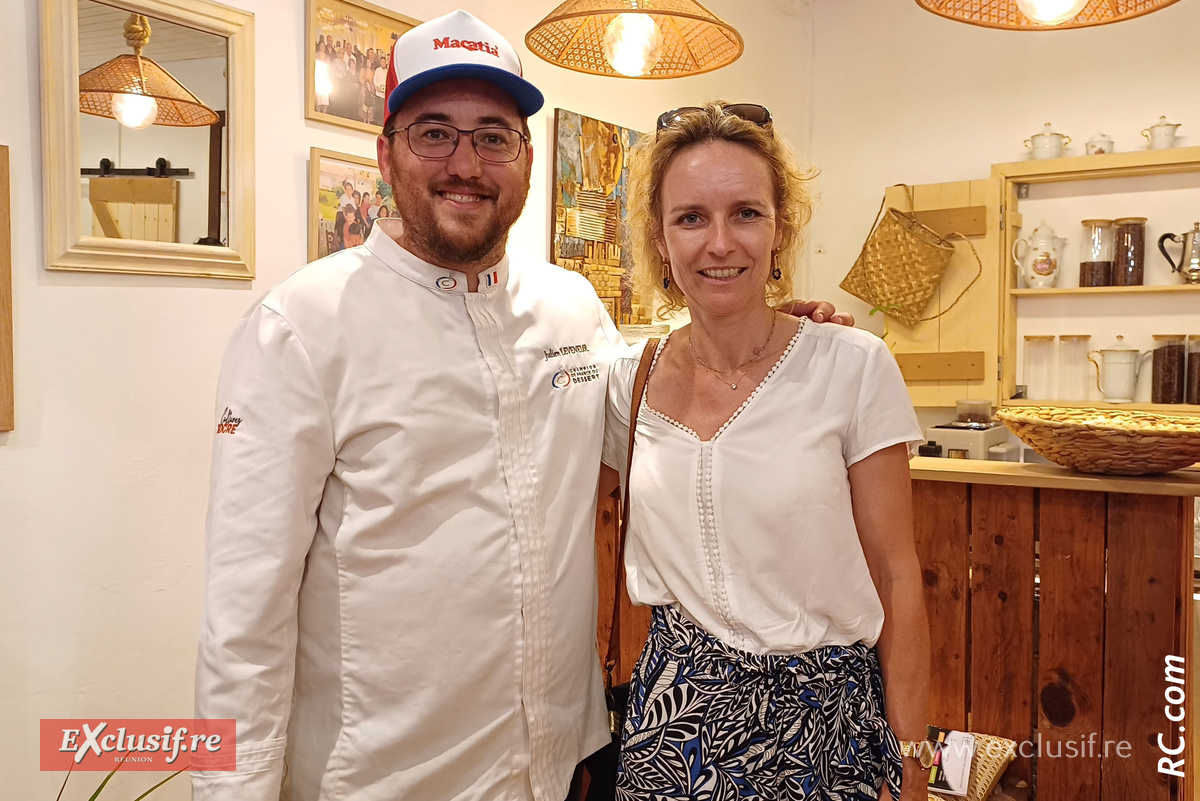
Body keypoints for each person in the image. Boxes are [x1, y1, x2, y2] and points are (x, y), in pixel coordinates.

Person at [193, 11, 850, 801]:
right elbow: (243, 615)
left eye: (494, 136)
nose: (465, 162)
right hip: (383, 781)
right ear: (385, 153)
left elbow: (660, 420)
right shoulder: (299, 328)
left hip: (559, 768)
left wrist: (769, 342)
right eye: (434, 132)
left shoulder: (569, 307)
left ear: (527, 159)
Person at [604, 103, 931, 801]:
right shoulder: (624, 381)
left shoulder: (852, 365)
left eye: (745, 213)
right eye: (691, 217)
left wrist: (912, 751)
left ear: (780, 227)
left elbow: (898, 573)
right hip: (675, 723)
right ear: (660, 239)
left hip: (827, 723)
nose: (720, 242)